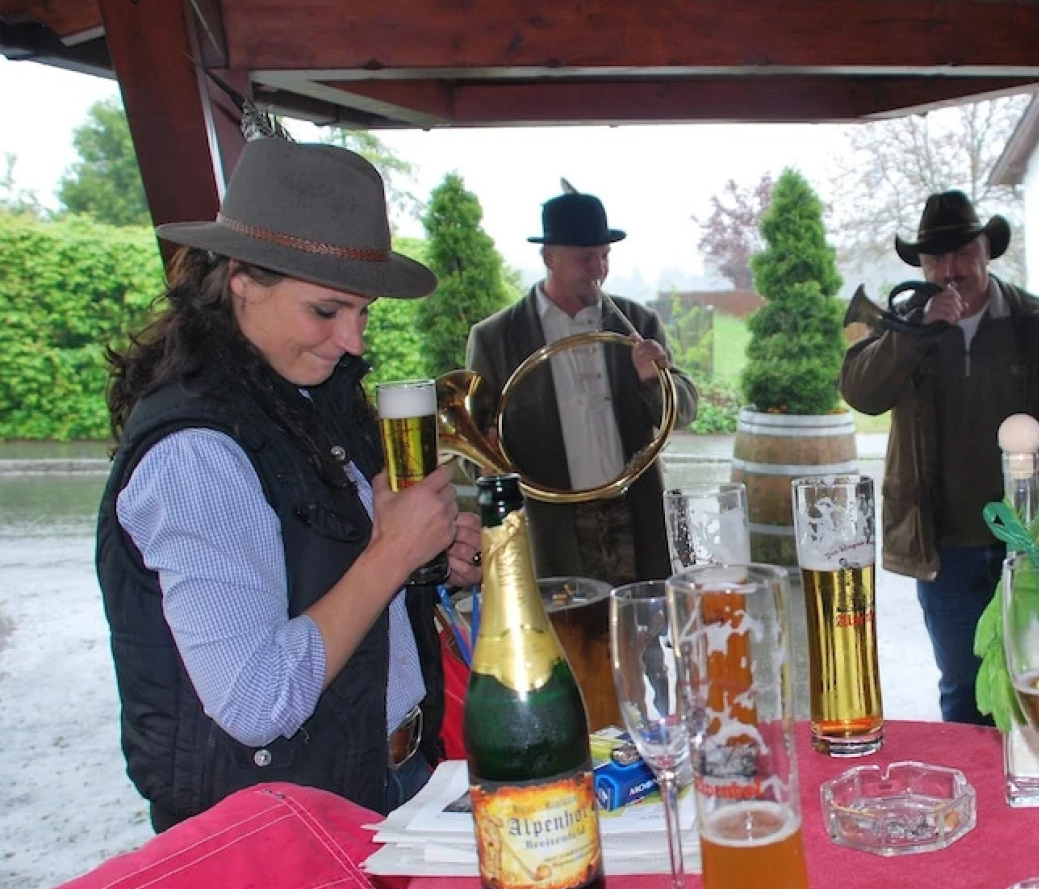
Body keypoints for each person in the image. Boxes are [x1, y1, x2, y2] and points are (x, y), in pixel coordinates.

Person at [97, 139, 482, 832]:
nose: (354, 340)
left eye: (363, 313)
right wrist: (391, 554)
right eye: (328, 311)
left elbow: (343, 585)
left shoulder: (309, 393)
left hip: (380, 779)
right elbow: (255, 701)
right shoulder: (195, 453)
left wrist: (435, 561)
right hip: (277, 828)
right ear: (241, 278)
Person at [840, 190, 1039, 725]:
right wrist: (918, 332)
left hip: (1033, 544)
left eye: (961, 253)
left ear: (986, 251)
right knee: (965, 691)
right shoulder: (906, 324)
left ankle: (1033, 793)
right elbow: (861, 392)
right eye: (934, 258)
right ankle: (976, 799)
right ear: (921, 265)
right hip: (944, 550)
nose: (949, 270)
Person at [466, 190, 697, 584]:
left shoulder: (637, 322)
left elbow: (686, 411)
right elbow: (473, 446)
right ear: (549, 256)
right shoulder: (496, 337)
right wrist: (488, 462)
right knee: (568, 637)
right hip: (550, 526)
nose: (598, 268)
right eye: (585, 257)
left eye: (604, 255)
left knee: (640, 632)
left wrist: (651, 379)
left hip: (633, 515)